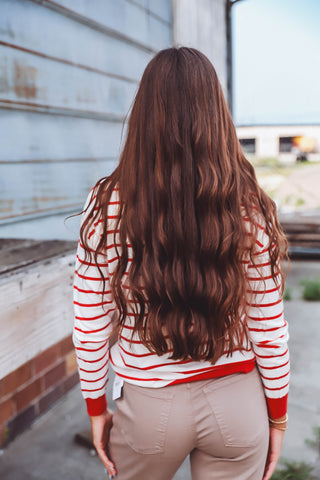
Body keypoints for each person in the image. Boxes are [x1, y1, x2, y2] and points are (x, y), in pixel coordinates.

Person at [72, 47, 290, 480]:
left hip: (149, 410)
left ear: (144, 116)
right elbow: (269, 325)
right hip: (238, 406)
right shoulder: (248, 205)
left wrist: (96, 407)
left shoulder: (107, 201)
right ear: (216, 115)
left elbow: (90, 321)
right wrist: (278, 415)